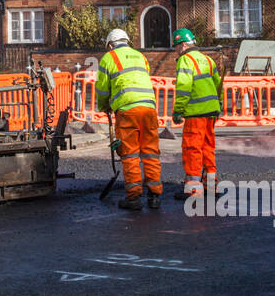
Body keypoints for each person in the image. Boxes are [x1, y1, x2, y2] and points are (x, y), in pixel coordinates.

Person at [95, 28, 162, 211]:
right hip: (148, 108)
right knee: (150, 152)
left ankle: (133, 197)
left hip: (127, 110)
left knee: (130, 153)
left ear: (110, 45)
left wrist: (104, 106)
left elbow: (102, 88)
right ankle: (154, 194)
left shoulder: (109, 58)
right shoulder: (140, 56)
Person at [171, 28, 224, 200]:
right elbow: (218, 84)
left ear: (183, 44)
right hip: (211, 112)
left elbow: (184, 88)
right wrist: (219, 103)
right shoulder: (207, 60)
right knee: (208, 148)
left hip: (195, 114)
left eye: (177, 46)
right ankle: (211, 185)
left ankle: (194, 189)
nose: (176, 50)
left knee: (192, 148)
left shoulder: (185, 60)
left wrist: (178, 110)